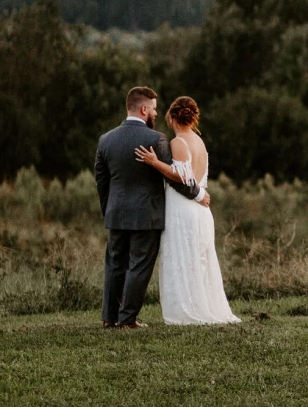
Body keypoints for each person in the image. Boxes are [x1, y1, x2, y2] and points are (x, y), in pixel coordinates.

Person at [94, 86, 208, 329]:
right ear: (144, 109)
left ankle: (109, 318)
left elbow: (101, 182)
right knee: (139, 266)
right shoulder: (156, 139)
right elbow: (174, 177)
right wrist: (198, 193)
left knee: (115, 264)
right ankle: (127, 320)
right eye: (154, 109)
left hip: (116, 214)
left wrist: (109, 210)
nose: (156, 114)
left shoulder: (106, 140)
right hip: (147, 215)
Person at [134, 95, 240, 325]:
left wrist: (154, 162)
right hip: (200, 210)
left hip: (183, 209)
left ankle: (188, 311)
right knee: (198, 260)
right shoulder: (199, 141)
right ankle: (202, 305)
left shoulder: (178, 142)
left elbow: (181, 176)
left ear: (172, 118)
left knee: (183, 258)